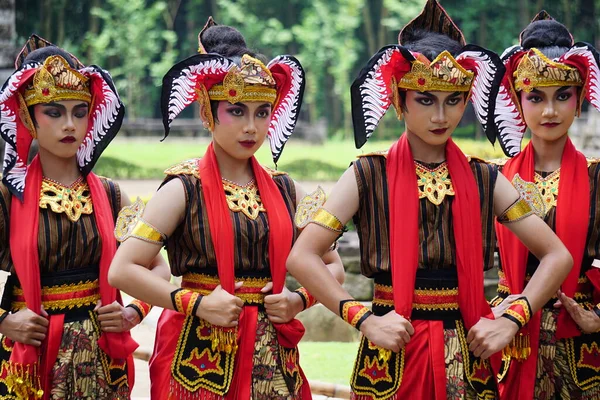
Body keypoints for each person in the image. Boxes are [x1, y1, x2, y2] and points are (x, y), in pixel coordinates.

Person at [286, 1, 573, 399]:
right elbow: (302, 256)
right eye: (426, 100)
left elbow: (558, 255)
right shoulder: (368, 174)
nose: (441, 116)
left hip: (465, 352)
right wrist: (365, 319)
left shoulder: (483, 176)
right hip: (391, 348)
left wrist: (511, 319)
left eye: (453, 100)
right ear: (399, 98)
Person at [108, 18, 344, 400]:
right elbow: (123, 269)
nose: (251, 126)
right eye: (236, 111)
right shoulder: (183, 188)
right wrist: (196, 303)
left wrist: (299, 299)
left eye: (262, 112)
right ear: (208, 111)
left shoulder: (288, 189)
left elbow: (333, 265)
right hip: (197, 357)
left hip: (272, 360)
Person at [0, 35, 168, 399]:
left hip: (101, 358)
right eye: (54, 112)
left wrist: (134, 312)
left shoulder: (111, 193)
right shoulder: (7, 195)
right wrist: (5, 321)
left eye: (79, 112)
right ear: (29, 116)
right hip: (31, 352)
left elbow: (158, 267)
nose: (69, 125)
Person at [488, 10, 600, 400]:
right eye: (536, 97)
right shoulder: (493, 177)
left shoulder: (597, 177)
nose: (550, 111)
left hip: (578, 348)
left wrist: (598, 317)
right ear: (518, 102)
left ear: (580, 99)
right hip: (508, 336)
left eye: (562, 96)